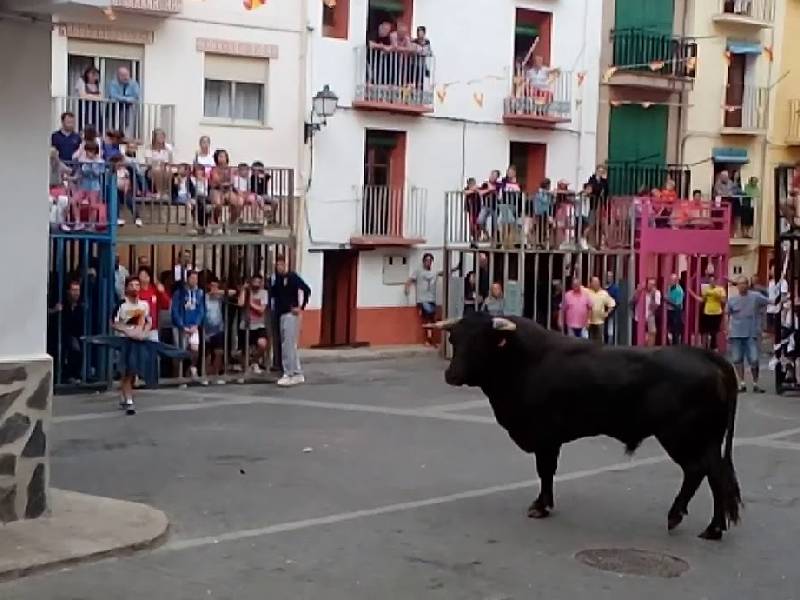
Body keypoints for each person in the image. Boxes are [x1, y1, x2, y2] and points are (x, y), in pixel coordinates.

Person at [84, 276, 188, 414]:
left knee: (133, 370)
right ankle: (128, 400)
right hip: (125, 341)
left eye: (137, 285)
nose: (134, 287)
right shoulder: (121, 304)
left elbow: (148, 321)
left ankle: (125, 395)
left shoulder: (144, 305)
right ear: (126, 287)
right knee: (127, 369)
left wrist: (144, 332)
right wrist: (127, 331)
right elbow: (114, 323)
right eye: (131, 285)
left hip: (139, 340)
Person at [268, 256, 311, 386]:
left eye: (281, 264)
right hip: (281, 314)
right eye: (277, 265)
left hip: (290, 314)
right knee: (288, 345)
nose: (279, 267)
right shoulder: (277, 280)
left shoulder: (292, 277)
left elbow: (306, 289)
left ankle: (289, 373)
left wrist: (301, 307)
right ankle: (297, 372)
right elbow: (273, 294)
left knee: (288, 345)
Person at [727, 276, 770, 392]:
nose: (742, 286)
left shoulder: (755, 296)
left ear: (747, 285)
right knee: (737, 359)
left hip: (751, 334)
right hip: (736, 334)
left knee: (754, 359)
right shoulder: (732, 300)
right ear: (737, 287)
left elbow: (769, 300)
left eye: (744, 284)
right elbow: (727, 314)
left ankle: (755, 383)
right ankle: (742, 383)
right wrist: (727, 330)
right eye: (740, 284)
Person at [171, 270, 205, 380]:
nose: (194, 281)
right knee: (180, 351)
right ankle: (178, 376)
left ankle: (191, 369)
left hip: (193, 325)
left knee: (195, 350)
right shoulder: (179, 293)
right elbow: (175, 310)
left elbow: (201, 310)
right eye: (192, 278)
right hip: (181, 326)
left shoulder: (200, 293)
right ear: (187, 279)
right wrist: (181, 325)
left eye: (196, 279)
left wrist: (197, 324)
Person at [405, 253, 440, 346]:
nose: (428, 263)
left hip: (432, 299)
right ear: (423, 262)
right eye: (427, 261)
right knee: (428, 319)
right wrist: (407, 288)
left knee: (431, 319)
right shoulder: (418, 271)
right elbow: (410, 280)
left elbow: (443, 272)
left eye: (430, 261)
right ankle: (429, 339)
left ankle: (430, 338)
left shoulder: (434, 272)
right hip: (422, 300)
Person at [238, 274, 270, 374]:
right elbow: (240, 303)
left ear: (261, 283)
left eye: (258, 282)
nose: (256, 284)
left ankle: (254, 361)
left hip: (259, 324)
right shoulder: (247, 291)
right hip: (245, 324)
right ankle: (246, 366)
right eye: (254, 282)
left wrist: (250, 302)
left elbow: (261, 310)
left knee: (263, 344)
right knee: (244, 349)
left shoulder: (264, 293)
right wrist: (243, 290)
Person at [56, 280, 84, 383]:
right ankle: (65, 375)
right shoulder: (63, 304)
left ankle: (74, 375)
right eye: (74, 290)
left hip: (76, 335)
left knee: (77, 349)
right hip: (62, 333)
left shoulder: (81, 306)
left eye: (78, 290)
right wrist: (55, 310)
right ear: (68, 291)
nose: (76, 293)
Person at [690, 273, 726, 351]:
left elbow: (723, 300)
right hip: (707, 312)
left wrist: (717, 295)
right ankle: (705, 348)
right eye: (710, 281)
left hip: (717, 313)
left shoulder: (720, 289)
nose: (712, 282)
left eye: (713, 281)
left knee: (714, 332)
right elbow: (702, 300)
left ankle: (714, 348)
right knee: (705, 331)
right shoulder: (706, 289)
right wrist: (691, 293)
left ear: (716, 281)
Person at [204, 277, 228, 384]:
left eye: (216, 286)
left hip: (218, 328)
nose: (214, 288)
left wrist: (218, 292)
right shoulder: (204, 297)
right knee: (207, 354)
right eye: (212, 286)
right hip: (206, 329)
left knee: (219, 352)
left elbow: (232, 293)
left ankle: (216, 374)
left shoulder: (219, 297)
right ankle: (206, 375)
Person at [137, 267, 171, 341]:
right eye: (142, 274)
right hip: (138, 328)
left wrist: (162, 292)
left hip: (153, 328)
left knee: (153, 349)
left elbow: (167, 305)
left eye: (147, 275)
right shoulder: (136, 291)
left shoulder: (155, 290)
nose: (145, 277)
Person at [107, 66, 141, 137]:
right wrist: (127, 99)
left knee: (125, 124)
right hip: (114, 107)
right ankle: (113, 136)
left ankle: (122, 137)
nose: (125, 77)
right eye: (122, 75)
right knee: (113, 124)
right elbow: (113, 95)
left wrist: (123, 99)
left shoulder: (133, 84)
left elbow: (136, 96)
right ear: (118, 76)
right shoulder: (113, 83)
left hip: (128, 107)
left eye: (127, 75)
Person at [145, 128, 174, 200]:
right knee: (157, 170)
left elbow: (170, 161)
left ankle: (165, 193)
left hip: (164, 167)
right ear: (155, 137)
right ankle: (159, 192)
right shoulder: (149, 148)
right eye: (159, 136)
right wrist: (157, 164)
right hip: (152, 169)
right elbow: (148, 162)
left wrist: (164, 164)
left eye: (162, 136)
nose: (161, 138)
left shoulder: (168, 147)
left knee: (168, 171)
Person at [632, 278, 662, 346]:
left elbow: (655, 306)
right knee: (641, 334)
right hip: (639, 316)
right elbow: (634, 300)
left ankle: (649, 349)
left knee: (652, 332)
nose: (650, 286)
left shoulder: (657, 292)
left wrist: (652, 296)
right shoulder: (641, 292)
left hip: (650, 315)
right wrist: (639, 290)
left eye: (652, 284)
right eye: (649, 284)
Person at [210, 149, 234, 228]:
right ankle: (215, 219)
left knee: (239, 202)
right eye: (220, 156)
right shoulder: (214, 169)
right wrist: (225, 183)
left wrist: (226, 184)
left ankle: (230, 222)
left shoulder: (230, 169)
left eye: (224, 156)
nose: (222, 158)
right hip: (216, 190)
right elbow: (217, 182)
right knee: (218, 204)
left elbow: (232, 181)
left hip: (228, 191)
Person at [587, 276, 616, 343]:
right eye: (594, 282)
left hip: (600, 322)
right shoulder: (587, 292)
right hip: (589, 322)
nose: (596, 284)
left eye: (597, 282)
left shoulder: (604, 293)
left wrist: (607, 313)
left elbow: (612, 304)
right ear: (591, 283)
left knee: (599, 342)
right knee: (589, 342)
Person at [75, 66, 103, 132]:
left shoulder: (97, 84)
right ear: (87, 74)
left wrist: (90, 96)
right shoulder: (81, 81)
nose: (94, 77)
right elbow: (82, 95)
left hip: (95, 107)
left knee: (97, 123)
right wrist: (95, 97)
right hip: (85, 107)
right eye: (93, 75)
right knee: (85, 122)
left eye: (96, 75)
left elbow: (101, 97)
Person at [767, 262, 789, 336]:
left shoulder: (783, 282)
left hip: (777, 312)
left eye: (774, 269)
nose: (772, 271)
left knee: (776, 334)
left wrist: (775, 302)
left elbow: (784, 298)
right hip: (769, 310)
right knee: (770, 334)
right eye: (772, 269)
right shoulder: (770, 282)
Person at [665, 273, 685, 345]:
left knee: (675, 331)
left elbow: (678, 305)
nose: (670, 281)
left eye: (672, 280)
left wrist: (667, 300)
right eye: (670, 279)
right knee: (668, 329)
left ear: (676, 281)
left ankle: (675, 346)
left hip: (676, 312)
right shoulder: (669, 287)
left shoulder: (679, 290)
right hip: (669, 310)